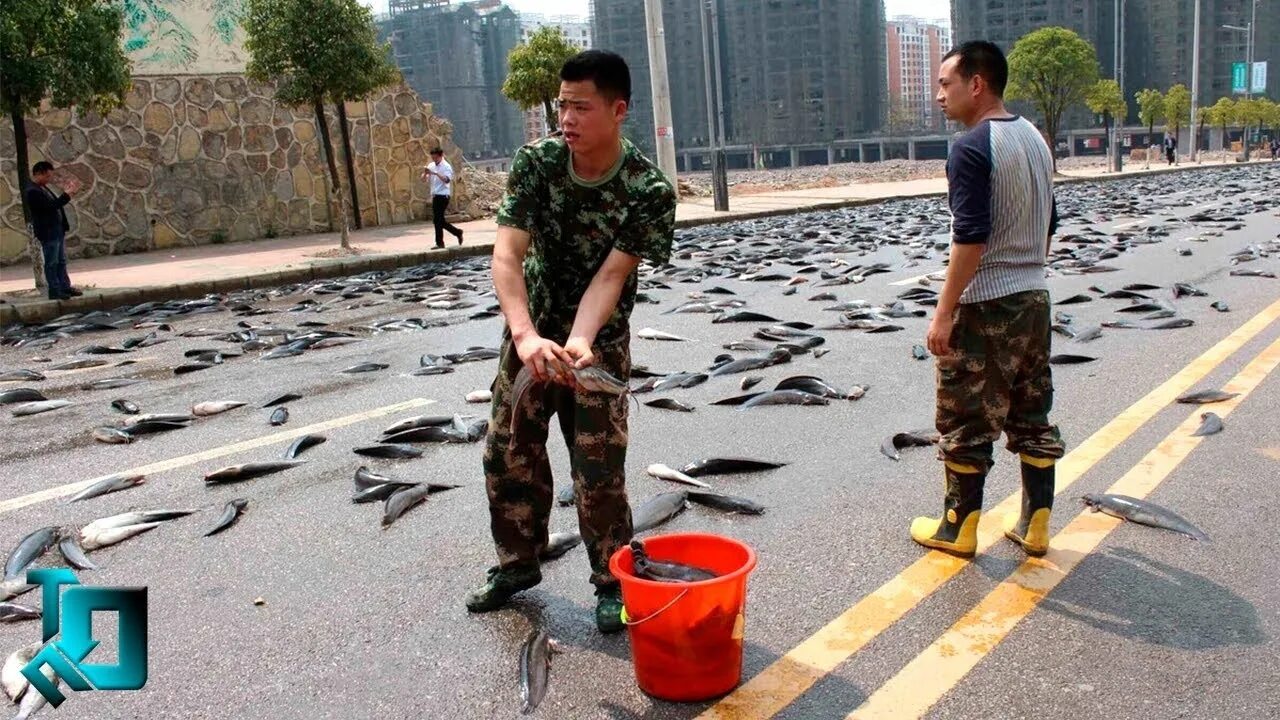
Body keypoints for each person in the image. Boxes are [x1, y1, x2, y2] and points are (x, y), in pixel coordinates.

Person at [465, 50, 676, 633]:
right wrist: (526, 335)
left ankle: (613, 582)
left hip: (598, 342)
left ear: (618, 110)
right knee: (508, 452)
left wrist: (581, 342)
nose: (568, 118)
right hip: (529, 330)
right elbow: (506, 255)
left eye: (581, 106)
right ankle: (517, 564)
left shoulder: (648, 189)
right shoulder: (536, 163)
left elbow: (612, 275)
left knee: (599, 469)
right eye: (563, 105)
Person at [914, 40, 1065, 559]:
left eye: (945, 84)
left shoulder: (971, 147)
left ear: (976, 84)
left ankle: (957, 529)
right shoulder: (1036, 140)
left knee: (964, 419)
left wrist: (945, 310)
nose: (938, 95)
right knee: (1031, 412)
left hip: (987, 306)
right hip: (1035, 299)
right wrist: (1029, 268)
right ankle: (1036, 524)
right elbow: (1049, 221)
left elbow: (971, 237)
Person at [24, 161, 83, 300]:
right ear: (39, 173)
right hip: (48, 231)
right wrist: (67, 195)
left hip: (57, 229)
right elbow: (50, 206)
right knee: (52, 262)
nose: (49, 180)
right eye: (47, 176)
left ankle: (64, 286)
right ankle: (54, 290)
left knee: (61, 261)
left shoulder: (43, 188)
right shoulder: (33, 191)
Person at [421, 148, 463, 248]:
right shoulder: (431, 165)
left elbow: (447, 180)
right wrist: (426, 173)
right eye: (433, 158)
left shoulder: (446, 166)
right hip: (435, 195)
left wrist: (436, 173)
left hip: (443, 195)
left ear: (440, 156)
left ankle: (440, 242)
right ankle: (457, 232)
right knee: (439, 220)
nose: (434, 160)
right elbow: (423, 179)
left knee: (437, 220)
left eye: (436, 157)